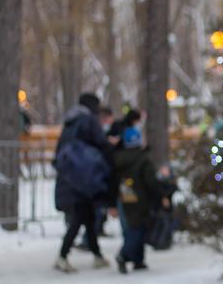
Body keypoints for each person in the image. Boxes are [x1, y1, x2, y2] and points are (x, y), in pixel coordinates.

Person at [53, 93, 117, 272]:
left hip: (71, 176)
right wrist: (112, 146)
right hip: (85, 177)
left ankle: (97, 255)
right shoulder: (89, 121)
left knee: (87, 216)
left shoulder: (70, 122)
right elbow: (101, 143)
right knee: (80, 217)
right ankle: (62, 256)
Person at [113, 121, 170, 273]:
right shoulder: (143, 159)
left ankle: (138, 260)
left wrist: (112, 201)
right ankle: (124, 255)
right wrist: (161, 196)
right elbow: (151, 182)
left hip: (125, 196)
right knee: (138, 228)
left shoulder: (118, 159)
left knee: (132, 226)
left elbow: (113, 181)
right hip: (141, 198)